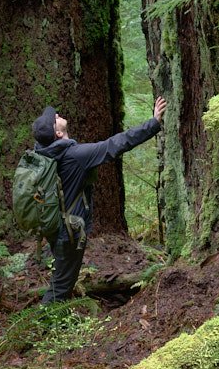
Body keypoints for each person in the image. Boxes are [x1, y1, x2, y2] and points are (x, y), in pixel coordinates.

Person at [32, 97, 167, 303]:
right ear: (58, 133)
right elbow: (116, 144)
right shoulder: (76, 156)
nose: (57, 115)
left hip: (52, 225)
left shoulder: (43, 153)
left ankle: (55, 315)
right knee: (62, 282)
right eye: (54, 119)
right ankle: (45, 323)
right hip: (68, 232)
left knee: (62, 275)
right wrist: (153, 122)